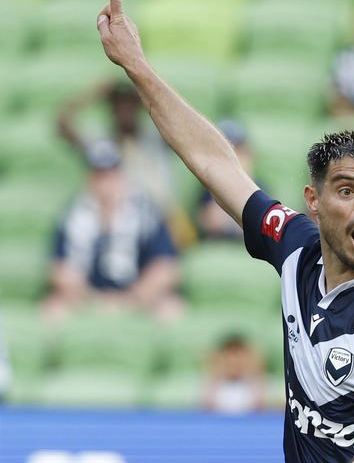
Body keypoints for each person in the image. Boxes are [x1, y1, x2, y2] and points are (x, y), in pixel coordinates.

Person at [96, 0, 354, 461]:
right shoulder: (295, 247)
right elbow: (215, 163)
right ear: (313, 202)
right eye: (347, 190)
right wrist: (136, 65)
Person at [42, 139, 184, 322]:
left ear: (121, 174)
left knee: (172, 310)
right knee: (52, 311)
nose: (105, 181)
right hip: (86, 298)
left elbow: (167, 266)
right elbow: (58, 268)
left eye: (110, 172)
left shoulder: (146, 213)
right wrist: (92, 299)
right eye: (99, 173)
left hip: (138, 297)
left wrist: (131, 299)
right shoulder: (72, 215)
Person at [57, 79, 196, 248]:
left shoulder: (156, 138)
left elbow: (185, 128)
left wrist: (147, 97)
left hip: (161, 222)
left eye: (130, 104)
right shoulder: (102, 145)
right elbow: (63, 124)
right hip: (118, 225)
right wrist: (93, 94)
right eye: (118, 104)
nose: (124, 110)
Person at [196, 119, 253, 240]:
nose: (233, 156)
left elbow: (262, 230)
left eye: (237, 149)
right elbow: (212, 223)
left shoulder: (260, 185)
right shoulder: (209, 187)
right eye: (227, 150)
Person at [201, 334, 266, 413]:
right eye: (229, 361)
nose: (235, 365)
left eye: (239, 361)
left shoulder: (256, 383)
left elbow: (261, 408)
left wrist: (256, 375)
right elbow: (206, 408)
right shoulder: (214, 384)